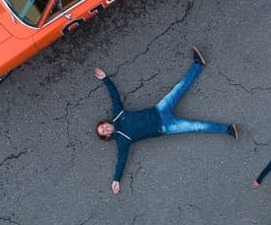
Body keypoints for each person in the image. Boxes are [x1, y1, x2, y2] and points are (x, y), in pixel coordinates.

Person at [95, 48, 237, 195]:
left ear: (106, 123)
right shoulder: (122, 141)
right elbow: (121, 160)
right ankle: (228, 129)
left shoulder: (118, 114)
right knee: (196, 126)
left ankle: (198, 65)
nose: (105, 129)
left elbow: (114, 96)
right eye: (104, 132)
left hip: (159, 109)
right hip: (165, 127)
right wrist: (116, 179)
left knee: (179, 88)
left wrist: (105, 78)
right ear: (107, 136)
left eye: (103, 126)